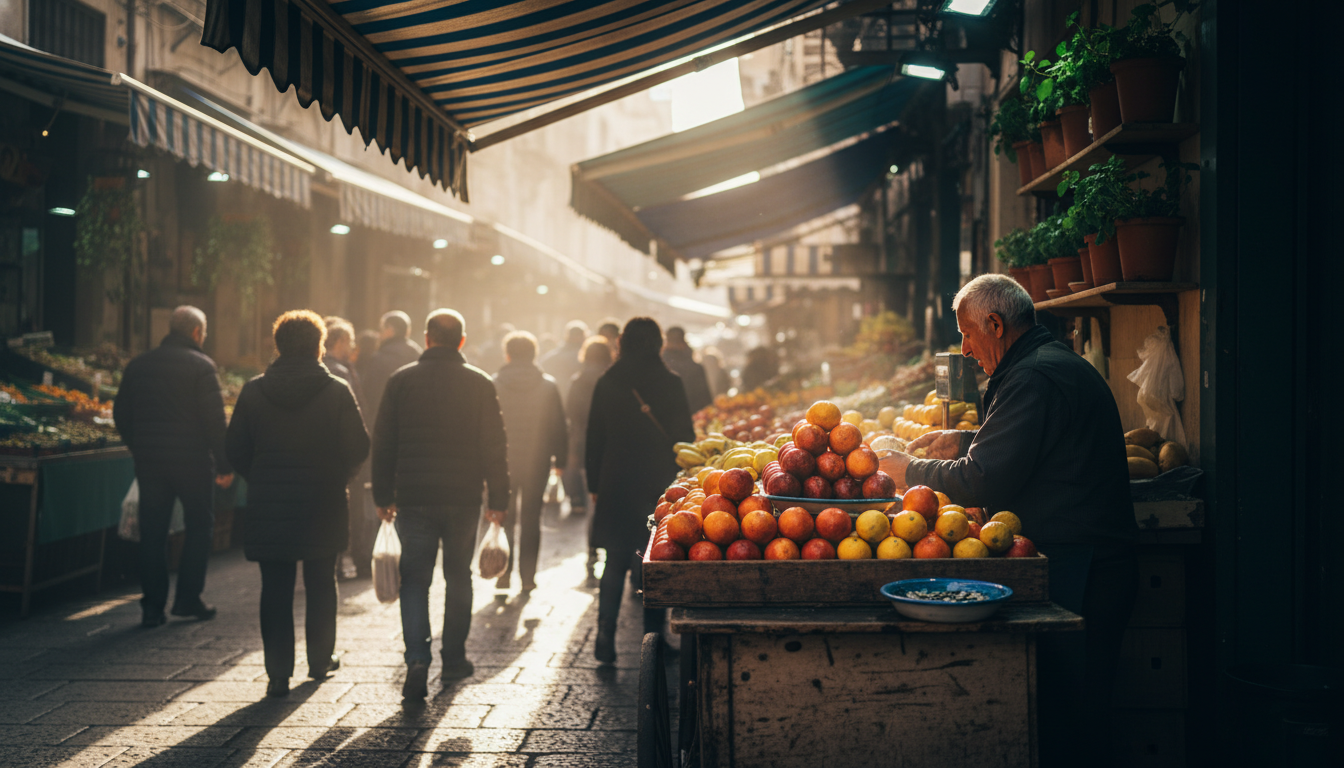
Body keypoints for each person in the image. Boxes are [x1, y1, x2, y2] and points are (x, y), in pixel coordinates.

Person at [879, 274, 1137, 768]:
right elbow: (1032, 445)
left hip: (1083, 568)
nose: (965, 348)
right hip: (1083, 560)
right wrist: (966, 437)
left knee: (1073, 719)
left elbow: (982, 480)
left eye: (968, 333)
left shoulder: (1033, 376)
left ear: (995, 324)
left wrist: (907, 470)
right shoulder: (1044, 364)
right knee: (1069, 712)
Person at [225, 310, 370, 698]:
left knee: (275, 587)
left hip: (270, 502)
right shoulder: (337, 390)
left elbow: (234, 448)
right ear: (319, 345)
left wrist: (260, 477)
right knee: (322, 581)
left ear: (278, 345)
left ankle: (277, 674)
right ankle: (320, 661)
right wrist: (340, 476)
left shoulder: (254, 390)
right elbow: (359, 446)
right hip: (323, 502)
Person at [371, 309, 510, 700]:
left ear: (427, 338)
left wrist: (382, 496)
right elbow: (494, 447)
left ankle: (417, 658)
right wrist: (498, 500)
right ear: (462, 341)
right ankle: (453, 659)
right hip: (463, 498)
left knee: (414, 579)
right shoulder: (480, 383)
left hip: (413, 497)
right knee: (458, 576)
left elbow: (383, 443)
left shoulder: (401, 381)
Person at [113, 306, 232, 628]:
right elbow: (214, 421)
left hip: (150, 463)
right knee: (199, 527)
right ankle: (187, 598)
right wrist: (224, 464)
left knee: (153, 532)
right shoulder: (201, 366)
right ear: (196, 332)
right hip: (192, 462)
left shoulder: (139, 365)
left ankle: (152, 607)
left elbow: (120, 413)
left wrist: (139, 447)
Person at [586, 318, 695, 663]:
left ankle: (605, 637)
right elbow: (685, 439)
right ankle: (655, 640)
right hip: (657, 481)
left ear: (622, 342)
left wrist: (593, 485)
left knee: (615, 561)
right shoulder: (670, 381)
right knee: (654, 562)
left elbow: (594, 438)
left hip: (616, 479)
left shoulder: (608, 380)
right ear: (658, 344)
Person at [492, 331, 569, 591]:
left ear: (508, 354)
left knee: (504, 516)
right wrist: (560, 460)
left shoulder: (495, 383)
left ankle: (502, 574)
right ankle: (527, 579)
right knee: (530, 519)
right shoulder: (547, 385)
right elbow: (559, 425)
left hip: (502, 462)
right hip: (537, 460)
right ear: (534, 354)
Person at [324, 317, 373, 579]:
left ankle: (337, 561)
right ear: (341, 341)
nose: (353, 347)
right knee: (350, 509)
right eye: (350, 341)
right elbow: (354, 414)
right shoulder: (341, 372)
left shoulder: (336, 367)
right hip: (344, 454)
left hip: (333, 453)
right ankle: (352, 561)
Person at [566, 336, 613, 586]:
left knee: (592, 503)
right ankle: (613, 553)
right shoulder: (612, 382)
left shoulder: (577, 381)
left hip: (585, 448)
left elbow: (571, 417)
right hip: (610, 449)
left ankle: (591, 555)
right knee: (612, 502)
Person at [362, 311, 424, 424]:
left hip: (385, 418)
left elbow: (369, 392)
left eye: (381, 329)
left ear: (390, 329)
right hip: (413, 418)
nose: (379, 334)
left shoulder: (379, 358)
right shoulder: (418, 354)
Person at [661, 326, 713, 415]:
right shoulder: (696, 368)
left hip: (666, 419)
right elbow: (705, 399)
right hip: (693, 418)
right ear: (684, 342)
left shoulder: (661, 366)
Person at [540, 321, 587, 401]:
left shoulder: (551, 357)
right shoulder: (586, 358)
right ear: (583, 336)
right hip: (578, 399)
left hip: (556, 398)